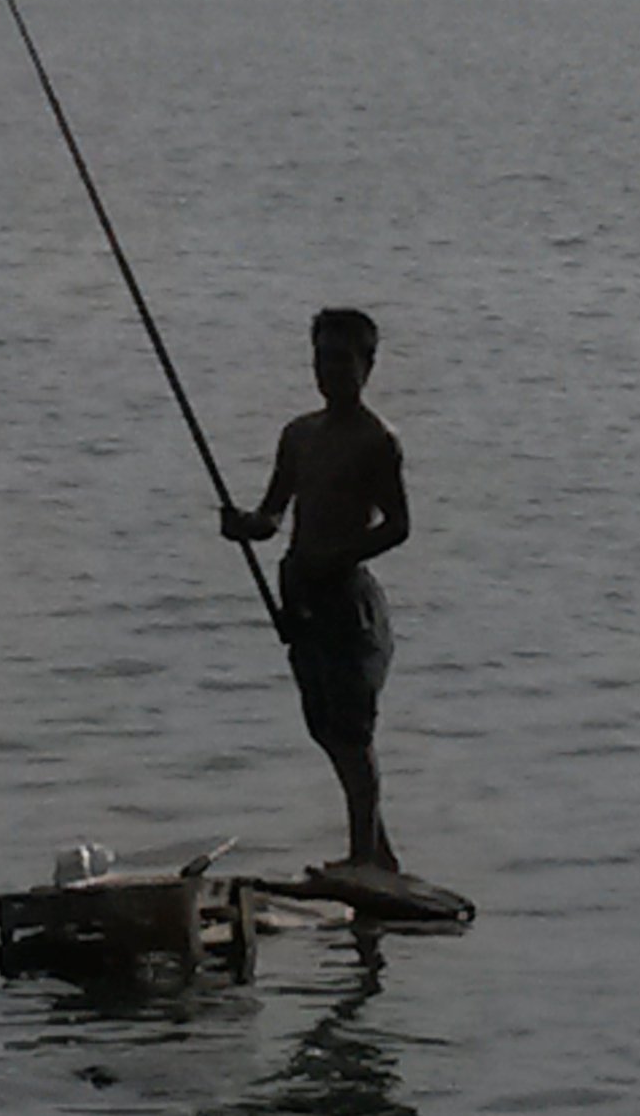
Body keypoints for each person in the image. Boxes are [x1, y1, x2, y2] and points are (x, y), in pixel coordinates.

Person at [223, 307, 411, 872]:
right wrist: (244, 525)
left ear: (367, 366)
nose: (328, 371)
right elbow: (273, 513)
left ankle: (362, 858)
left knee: (353, 734)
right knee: (324, 726)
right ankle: (378, 852)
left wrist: (341, 554)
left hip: (349, 604)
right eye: (320, 358)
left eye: (341, 360)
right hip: (304, 598)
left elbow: (399, 526)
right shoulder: (298, 434)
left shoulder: (377, 440)